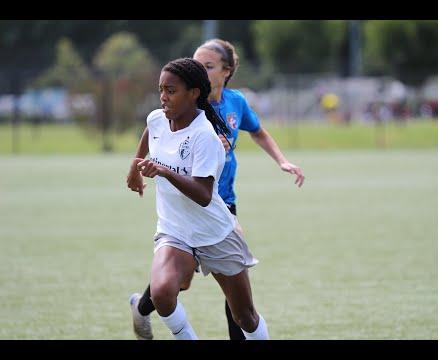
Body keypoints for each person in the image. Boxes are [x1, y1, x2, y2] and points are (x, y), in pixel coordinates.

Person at [127, 39, 305, 340]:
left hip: (215, 223)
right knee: (163, 291)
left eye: (170, 91)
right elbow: (151, 132)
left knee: (244, 316)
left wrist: (164, 171)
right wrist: (135, 167)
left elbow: (203, 194)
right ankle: (148, 309)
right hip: (176, 228)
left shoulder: (207, 132)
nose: (163, 97)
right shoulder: (159, 118)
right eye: (161, 89)